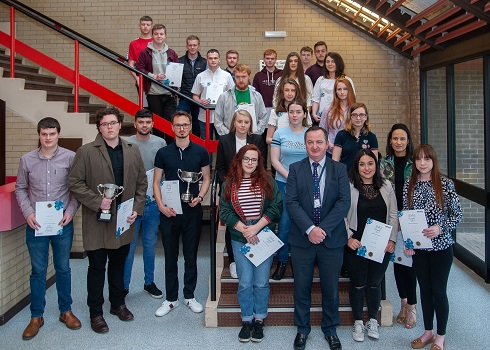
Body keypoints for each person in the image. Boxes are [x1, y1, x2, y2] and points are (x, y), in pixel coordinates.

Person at [68, 107, 147, 334]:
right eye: (104, 124)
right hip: (97, 220)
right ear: (99, 127)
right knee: (96, 267)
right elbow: (74, 182)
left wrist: (136, 208)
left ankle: (117, 304)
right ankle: (96, 312)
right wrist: (96, 201)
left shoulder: (133, 150)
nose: (109, 127)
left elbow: (142, 182)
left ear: (120, 125)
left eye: (113, 123)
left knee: (118, 264)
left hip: (124, 219)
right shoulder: (86, 151)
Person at [15, 117, 81, 340]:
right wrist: (28, 213)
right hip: (36, 225)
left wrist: (70, 212)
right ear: (39, 135)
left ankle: (66, 311)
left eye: (52, 134)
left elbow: (77, 189)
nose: (48, 138)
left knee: (63, 269)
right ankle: (36, 316)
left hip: (63, 225)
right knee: (38, 271)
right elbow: (20, 189)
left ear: (58, 134)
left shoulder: (70, 158)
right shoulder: (27, 160)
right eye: (44, 134)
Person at [286, 125, 350, 350]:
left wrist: (321, 229)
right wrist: (309, 229)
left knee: (331, 288)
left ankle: (330, 329)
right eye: (310, 142)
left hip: (331, 238)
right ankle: (302, 330)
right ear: (305, 145)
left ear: (327, 144)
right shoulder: (295, 169)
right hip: (302, 239)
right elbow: (291, 202)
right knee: (301, 287)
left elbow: (344, 203)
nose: (314, 146)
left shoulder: (340, 169)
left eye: (319, 142)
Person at [219, 144, 282, 343]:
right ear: (239, 160)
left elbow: (276, 207)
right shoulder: (229, 183)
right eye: (246, 159)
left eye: (254, 160)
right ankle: (246, 320)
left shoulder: (268, 181)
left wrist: (256, 228)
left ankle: (259, 319)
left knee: (261, 282)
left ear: (259, 162)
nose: (250, 163)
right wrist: (245, 230)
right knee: (245, 282)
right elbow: (225, 211)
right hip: (240, 238)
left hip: (263, 236)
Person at [403, 144, 462, 350]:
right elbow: (407, 217)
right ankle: (428, 332)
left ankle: (440, 336)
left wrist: (440, 228)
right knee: (425, 290)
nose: (422, 163)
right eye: (418, 159)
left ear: (433, 161)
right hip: (419, 249)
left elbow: (457, 215)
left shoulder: (445, 184)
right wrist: (408, 243)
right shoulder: (410, 185)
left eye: (426, 159)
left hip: (441, 247)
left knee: (438, 291)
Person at [153, 111, 211, 317]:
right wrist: (160, 206)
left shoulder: (201, 152)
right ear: (172, 127)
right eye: (178, 125)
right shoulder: (163, 153)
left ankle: (189, 295)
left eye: (185, 125)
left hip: (192, 211)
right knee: (170, 257)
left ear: (190, 127)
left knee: (190, 256)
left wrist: (201, 197)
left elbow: (206, 178)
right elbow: (156, 182)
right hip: (169, 213)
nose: (182, 128)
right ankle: (170, 299)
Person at [344, 149, 398, 342]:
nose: (366, 168)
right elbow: (341, 215)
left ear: (376, 166)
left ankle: (373, 320)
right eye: (362, 164)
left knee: (374, 283)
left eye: (370, 164)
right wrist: (348, 237)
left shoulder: (386, 186)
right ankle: (358, 322)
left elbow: (393, 214)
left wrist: (392, 240)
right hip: (356, 244)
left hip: (381, 245)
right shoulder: (349, 186)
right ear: (356, 167)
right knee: (358, 283)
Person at [215, 110, 267, 279]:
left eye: (246, 122)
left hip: (254, 188)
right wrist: (230, 186)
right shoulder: (224, 140)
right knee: (234, 225)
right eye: (240, 121)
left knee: (255, 224)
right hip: (232, 189)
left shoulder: (257, 140)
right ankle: (233, 261)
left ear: (250, 124)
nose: (243, 125)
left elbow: (262, 165)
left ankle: (256, 256)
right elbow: (220, 167)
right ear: (234, 123)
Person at [123, 109, 166, 298]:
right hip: (132, 203)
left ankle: (149, 282)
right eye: (141, 122)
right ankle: (124, 286)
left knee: (150, 244)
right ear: (135, 124)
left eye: (148, 122)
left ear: (153, 124)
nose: (144, 125)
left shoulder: (160, 143)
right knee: (129, 246)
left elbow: (163, 171)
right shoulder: (126, 144)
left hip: (153, 202)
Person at [379, 123, 417, 329]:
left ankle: (412, 306)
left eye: (402, 138)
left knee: (410, 266)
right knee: (398, 263)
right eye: (395, 138)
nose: (398, 142)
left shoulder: (416, 162)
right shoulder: (385, 162)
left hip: (411, 220)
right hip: (392, 219)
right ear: (390, 141)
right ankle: (403, 303)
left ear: (408, 141)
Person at [270, 100, 308, 280]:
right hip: (284, 183)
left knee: (306, 222)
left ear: (304, 114)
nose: (294, 115)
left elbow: (316, 156)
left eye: (298, 111)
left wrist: (303, 179)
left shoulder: (310, 133)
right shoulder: (279, 133)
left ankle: (303, 262)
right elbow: (275, 161)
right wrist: (291, 177)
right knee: (284, 224)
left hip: (307, 185)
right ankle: (282, 260)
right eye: (291, 111)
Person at [136, 24, 179, 142]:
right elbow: (139, 68)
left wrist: (174, 87)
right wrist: (153, 76)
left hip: (169, 94)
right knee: (158, 125)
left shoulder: (172, 53)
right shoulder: (145, 52)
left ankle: (171, 150)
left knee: (170, 124)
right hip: (153, 93)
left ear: (165, 36)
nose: (159, 36)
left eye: (161, 34)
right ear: (152, 35)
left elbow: (177, 72)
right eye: (156, 34)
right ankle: (159, 149)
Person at [191, 49, 234, 141]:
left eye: (215, 58)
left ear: (219, 59)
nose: (213, 60)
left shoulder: (227, 76)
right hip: (204, 116)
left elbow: (232, 95)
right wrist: (200, 101)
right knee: (206, 146)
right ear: (207, 60)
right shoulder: (200, 76)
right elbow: (195, 95)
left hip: (222, 117)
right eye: (210, 58)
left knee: (222, 144)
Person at [214, 64, 268, 137]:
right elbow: (218, 120)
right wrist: (228, 135)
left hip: (252, 137)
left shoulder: (257, 96)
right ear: (234, 77)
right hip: (230, 138)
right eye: (238, 77)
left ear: (249, 76)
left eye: (244, 77)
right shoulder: (224, 97)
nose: (241, 80)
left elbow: (263, 117)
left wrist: (255, 134)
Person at [332, 102, 378, 172]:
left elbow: (374, 162)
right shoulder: (341, 135)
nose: (358, 118)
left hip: (364, 177)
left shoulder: (372, 137)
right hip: (345, 176)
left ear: (366, 117)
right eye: (354, 115)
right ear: (350, 117)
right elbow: (335, 161)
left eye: (362, 115)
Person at [311, 52, 355, 125]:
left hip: (341, 118)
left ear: (338, 63)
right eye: (327, 62)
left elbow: (352, 99)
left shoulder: (347, 80)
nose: (330, 64)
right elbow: (316, 98)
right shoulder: (320, 80)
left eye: (333, 61)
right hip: (322, 117)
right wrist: (314, 113)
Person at [178, 35, 207, 136]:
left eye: (194, 45)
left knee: (197, 126)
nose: (192, 47)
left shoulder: (205, 62)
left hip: (199, 99)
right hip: (184, 97)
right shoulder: (179, 61)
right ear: (187, 46)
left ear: (199, 46)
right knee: (179, 119)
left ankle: (195, 148)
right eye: (190, 45)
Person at [319, 78, 356, 157]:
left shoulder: (355, 109)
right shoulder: (328, 109)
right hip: (332, 150)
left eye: (345, 89)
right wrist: (328, 143)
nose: (342, 92)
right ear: (335, 91)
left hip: (350, 151)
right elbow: (322, 130)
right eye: (339, 89)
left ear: (349, 90)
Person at [266, 78, 309, 145]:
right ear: (282, 92)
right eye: (286, 90)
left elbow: (310, 134)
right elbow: (268, 139)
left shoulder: (303, 110)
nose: (290, 93)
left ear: (296, 92)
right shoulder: (275, 112)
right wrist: (284, 142)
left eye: (293, 90)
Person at [127, 15, 153, 103]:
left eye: (148, 25)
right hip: (141, 79)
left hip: (156, 80)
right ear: (139, 26)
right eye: (143, 24)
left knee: (156, 110)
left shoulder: (156, 41)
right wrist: (137, 78)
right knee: (145, 108)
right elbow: (130, 64)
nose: (145, 26)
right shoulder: (133, 43)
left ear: (151, 26)